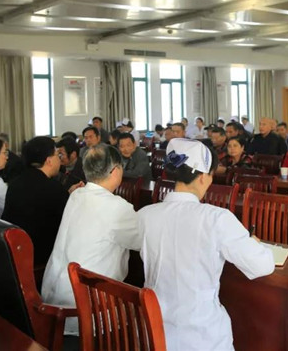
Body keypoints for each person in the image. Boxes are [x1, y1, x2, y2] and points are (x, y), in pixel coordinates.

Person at [137, 138, 274, 350]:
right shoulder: (216, 218)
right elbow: (262, 265)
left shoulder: (146, 215)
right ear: (202, 177)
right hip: (202, 336)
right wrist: (255, 244)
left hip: (155, 334)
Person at [42, 144, 140, 335]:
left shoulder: (77, 194)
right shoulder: (116, 207)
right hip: (87, 306)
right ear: (115, 170)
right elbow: (141, 242)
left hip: (54, 295)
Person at [2, 137, 72, 267]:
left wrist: (66, 193)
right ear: (49, 161)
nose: (60, 159)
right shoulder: (52, 188)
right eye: (58, 155)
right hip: (39, 259)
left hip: (14, 253)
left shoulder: (15, 183)